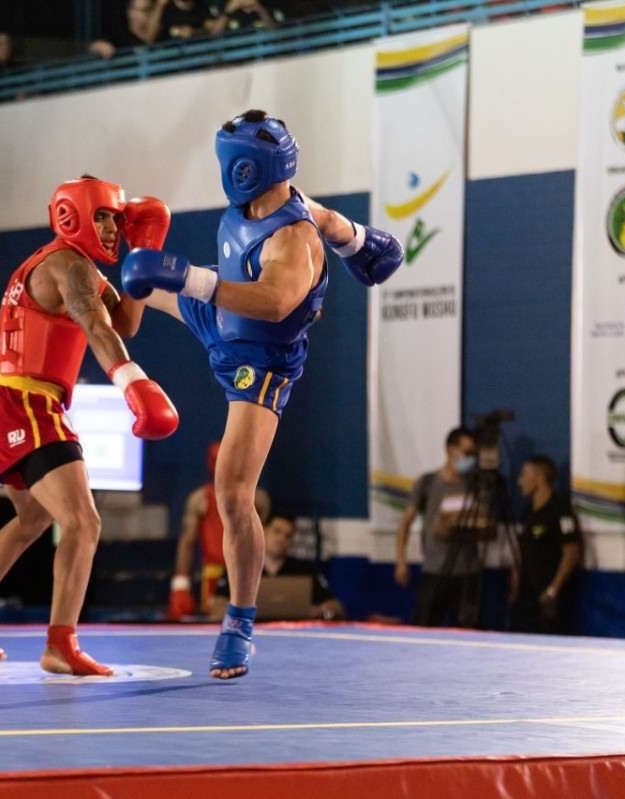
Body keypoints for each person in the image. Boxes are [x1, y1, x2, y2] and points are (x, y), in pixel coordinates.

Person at [121, 109, 403, 678]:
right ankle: (104, 347)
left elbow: (275, 302)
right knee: (131, 275)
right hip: (219, 319)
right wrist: (361, 244)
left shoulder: (292, 239)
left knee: (231, 492)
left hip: (261, 359)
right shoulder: (285, 205)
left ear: (242, 169)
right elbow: (341, 227)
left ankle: (239, 624)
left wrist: (190, 278)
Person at [0, 176, 178, 676]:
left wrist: (145, 253)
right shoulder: (67, 265)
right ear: (71, 218)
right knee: (84, 522)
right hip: (25, 402)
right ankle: (60, 643)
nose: (112, 229)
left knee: (32, 520)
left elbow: (125, 323)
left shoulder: (77, 266)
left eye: (117, 218)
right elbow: (95, 326)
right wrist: (134, 384)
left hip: (10, 400)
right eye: (103, 218)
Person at [393, 427, 483, 628]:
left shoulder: (476, 485)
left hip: (467, 573)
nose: (471, 459)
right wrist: (401, 561)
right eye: (467, 453)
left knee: (467, 633)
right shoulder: (427, 483)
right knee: (424, 627)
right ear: (450, 450)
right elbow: (405, 522)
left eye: (474, 454)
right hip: (435, 570)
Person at [168, 441, 269, 618]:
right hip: (215, 571)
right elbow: (187, 542)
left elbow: (265, 538)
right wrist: (180, 584)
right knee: (216, 618)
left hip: (247, 569)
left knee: (250, 617)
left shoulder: (258, 499)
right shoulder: (200, 499)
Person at [211, 511, 344, 621]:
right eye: (277, 531)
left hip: (295, 636)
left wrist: (321, 611)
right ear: (263, 530)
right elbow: (217, 607)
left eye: (288, 536)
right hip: (251, 631)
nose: (281, 539)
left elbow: (335, 606)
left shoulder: (304, 570)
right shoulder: (240, 566)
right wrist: (239, 613)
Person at [510, 455, 582, 634]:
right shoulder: (527, 513)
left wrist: (552, 591)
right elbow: (521, 551)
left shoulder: (561, 510)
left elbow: (571, 553)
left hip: (549, 599)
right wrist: (515, 585)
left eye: (524, 475)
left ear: (540, 477)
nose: (519, 481)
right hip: (526, 597)